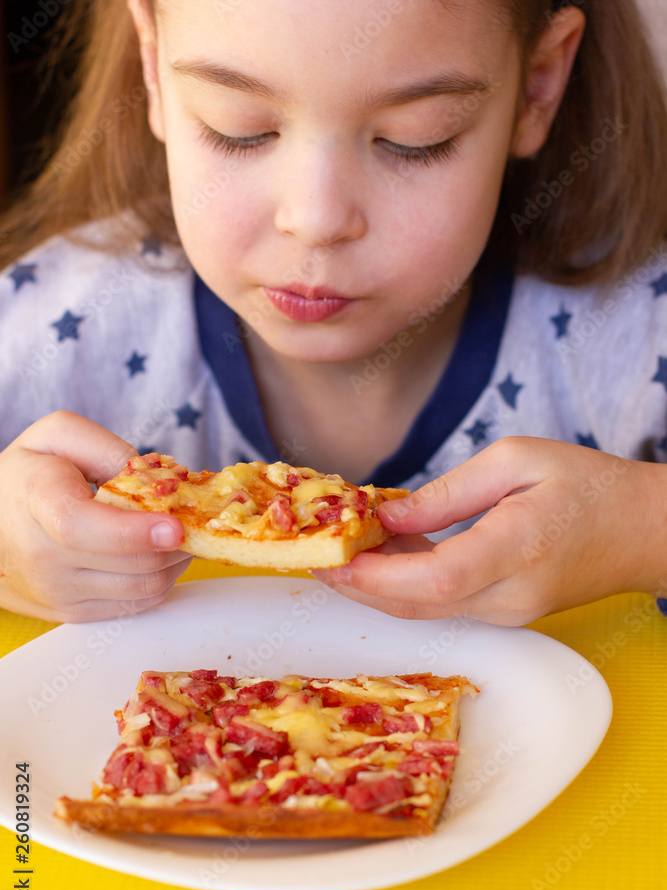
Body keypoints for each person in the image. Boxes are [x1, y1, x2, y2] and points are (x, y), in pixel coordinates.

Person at [1, 0, 666, 625]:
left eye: (412, 139)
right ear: (152, 67)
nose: (314, 220)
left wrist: (641, 529)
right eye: (239, 128)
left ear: (537, 86)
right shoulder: (49, 328)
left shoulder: (637, 339)